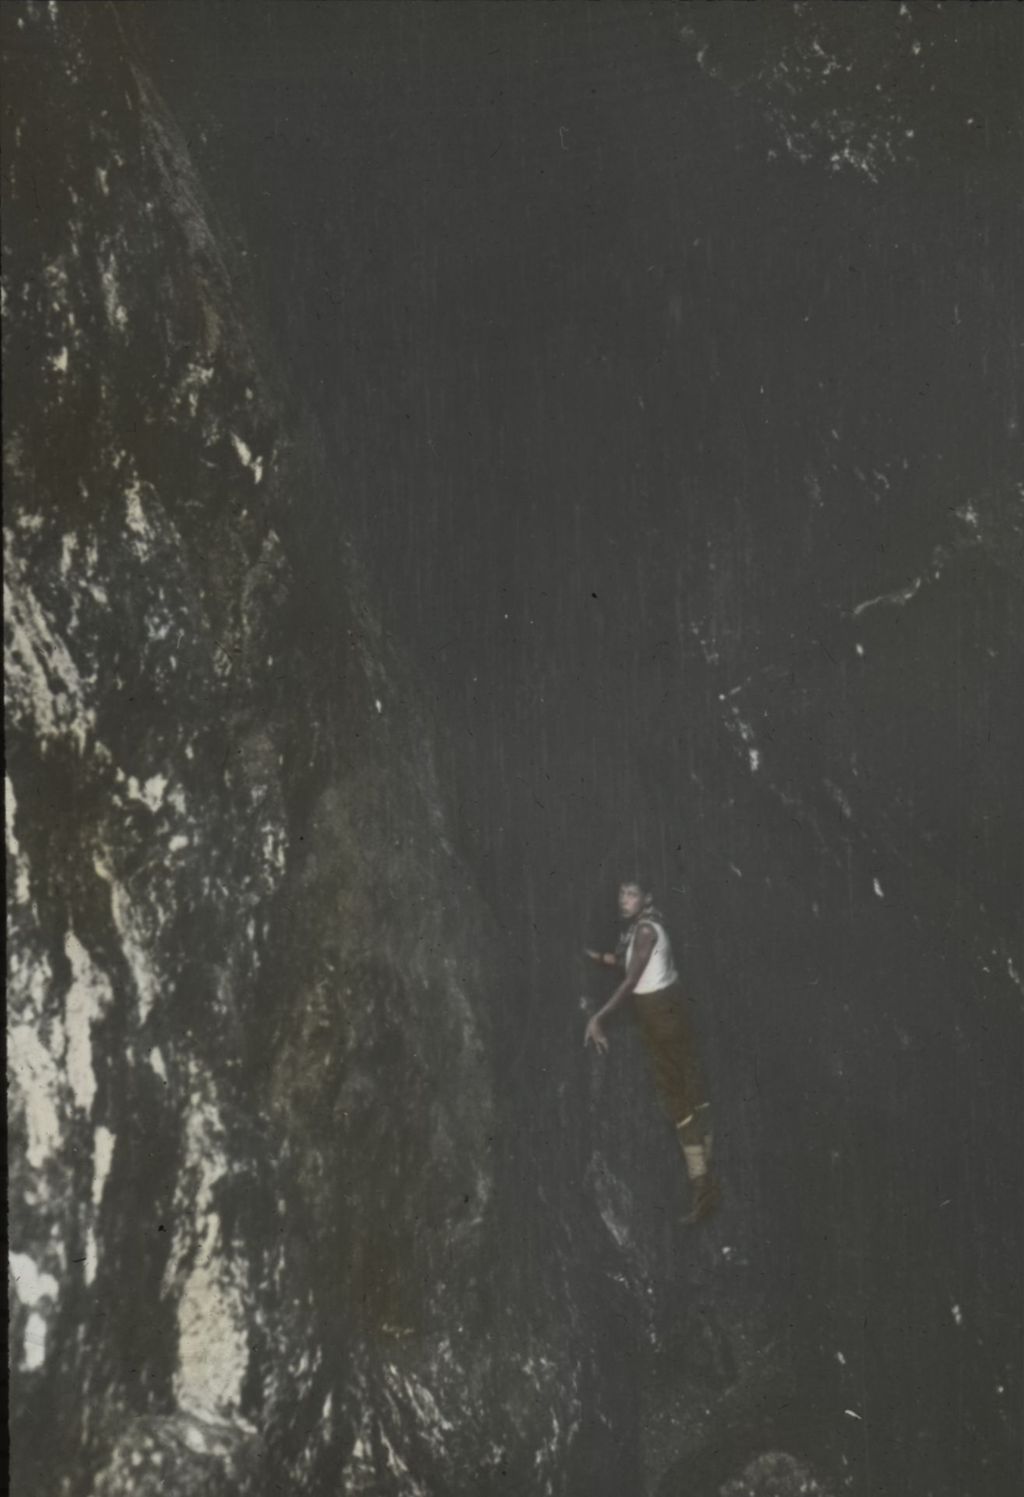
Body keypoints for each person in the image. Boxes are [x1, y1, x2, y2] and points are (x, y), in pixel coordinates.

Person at [584, 878, 718, 1224]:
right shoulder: (643, 928)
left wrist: (599, 1017)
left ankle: (703, 1186)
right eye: (621, 892)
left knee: (675, 1097)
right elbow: (625, 962)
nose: (623, 899)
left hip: (660, 1016)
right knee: (689, 1088)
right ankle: (708, 1164)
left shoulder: (644, 932)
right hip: (669, 1010)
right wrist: (595, 957)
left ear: (646, 898)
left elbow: (630, 981)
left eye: (631, 893)